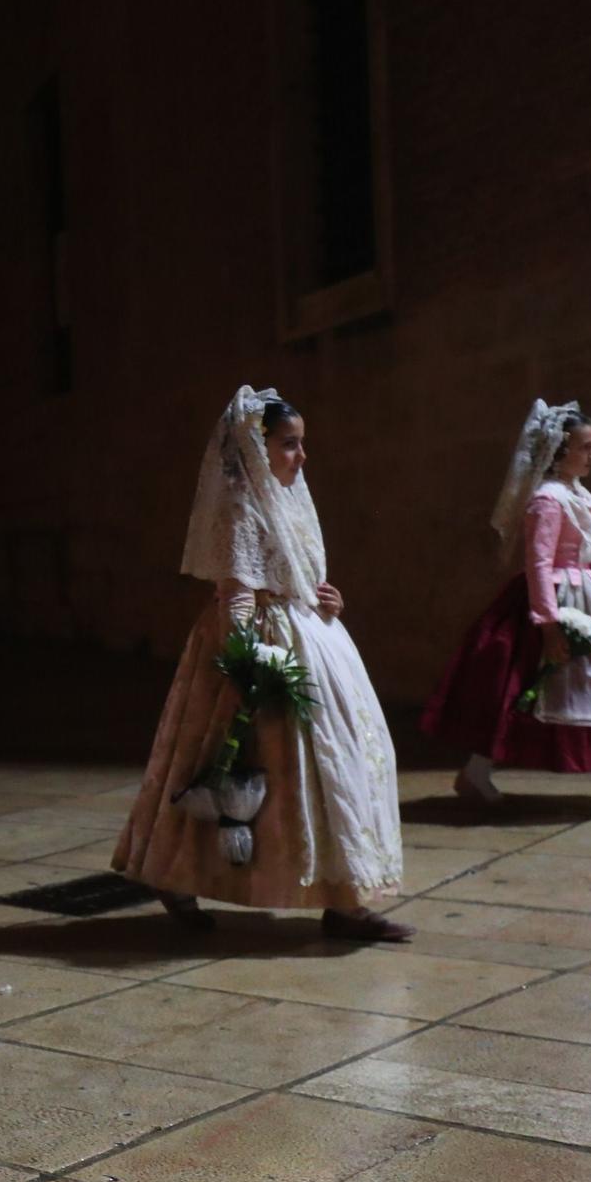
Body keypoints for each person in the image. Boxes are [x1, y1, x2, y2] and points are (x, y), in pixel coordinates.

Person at [112, 387, 410, 941]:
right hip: (260, 641)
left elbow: (296, 574)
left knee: (347, 761)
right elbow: (239, 592)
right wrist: (248, 663)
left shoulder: (288, 495)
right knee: (234, 767)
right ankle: (176, 875)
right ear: (257, 446)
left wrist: (327, 600)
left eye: (301, 445)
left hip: (310, 633)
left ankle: (346, 898)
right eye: (289, 445)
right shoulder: (240, 505)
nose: (301, 457)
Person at [423, 401, 591, 808]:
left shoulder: (580, 495)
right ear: (560, 451)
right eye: (586, 447)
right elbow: (538, 561)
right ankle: (477, 771)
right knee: (526, 687)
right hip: (555, 597)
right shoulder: (548, 499)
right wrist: (548, 623)